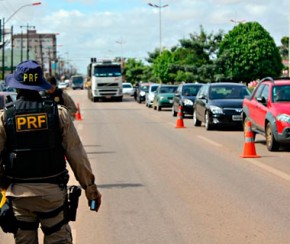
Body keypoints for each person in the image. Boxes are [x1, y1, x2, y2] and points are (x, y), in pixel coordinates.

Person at [0, 60, 101, 243]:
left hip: (19, 196)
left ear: (17, 88)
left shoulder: (5, 117)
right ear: (40, 87)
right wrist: (90, 188)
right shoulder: (58, 114)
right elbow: (76, 155)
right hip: (52, 196)